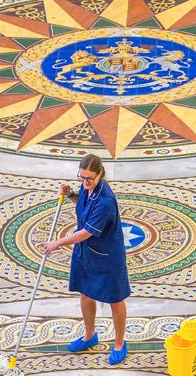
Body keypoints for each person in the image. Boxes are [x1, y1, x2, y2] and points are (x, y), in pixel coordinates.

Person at [43, 154, 130, 364]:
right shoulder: (86, 187)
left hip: (107, 256)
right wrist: (71, 193)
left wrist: (57, 242)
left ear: (100, 174)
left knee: (115, 299)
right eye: (81, 177)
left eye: (89, 178)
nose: (85, 182)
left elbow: (86, 232)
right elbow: (80, 202)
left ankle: (119, 343)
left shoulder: (105, 201)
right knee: (85, 293)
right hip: (86, 253)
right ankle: (90, 335)